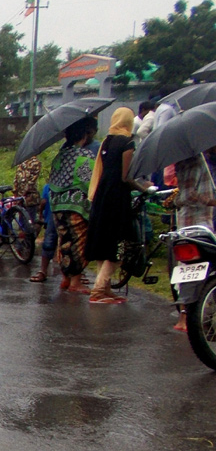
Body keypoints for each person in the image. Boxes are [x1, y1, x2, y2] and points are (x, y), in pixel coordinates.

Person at [87, 107, 149, 304]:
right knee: (120, 243)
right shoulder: (127, 142)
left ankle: (104, 287)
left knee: (103, 240)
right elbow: (125, 177)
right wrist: (143, 188)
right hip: (117, 199)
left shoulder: (107, 141)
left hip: (101, 194)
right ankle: (99, 288)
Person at [43, 117, 98, 291]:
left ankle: (66, 278)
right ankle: (76, 281)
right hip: (76, 206)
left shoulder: (60, 155)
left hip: (57, 205)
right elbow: (86, 182)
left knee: (64, 241)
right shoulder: (84, 155)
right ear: (84, 135)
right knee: (78, 242)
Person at [170, 149, 216, 329]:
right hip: (197, 222)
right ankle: (185, 317)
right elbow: (188, 195)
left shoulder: (186, 161)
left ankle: (191, 315)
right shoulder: (195, 162)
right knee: (194, 270)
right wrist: (211, 201)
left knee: (190, 270)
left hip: (193, 221)